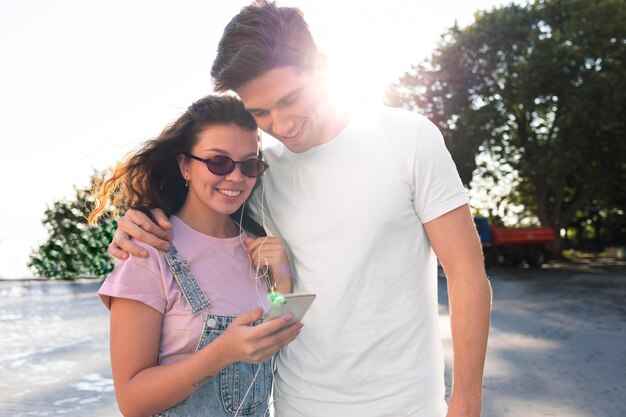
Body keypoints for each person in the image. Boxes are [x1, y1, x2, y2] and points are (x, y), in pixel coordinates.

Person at [108, 1, 492, 416]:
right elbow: (203, 216)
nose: (281, 123)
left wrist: (467, 400)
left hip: (405, 403)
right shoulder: (260, 172)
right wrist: (137, 219)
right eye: (261, 112)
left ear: (321, 68)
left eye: (291, 99)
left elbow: (466, 272)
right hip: (297, 405)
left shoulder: (409, 139)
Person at [89, 94, 302, 417]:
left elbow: (273, 356)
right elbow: (132, 401)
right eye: (219, 162)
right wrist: (222, 353)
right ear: (184, 165)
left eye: (249, 165)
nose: (235, 177)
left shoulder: (258, 248)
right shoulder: (147, 250)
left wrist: (283, 282)